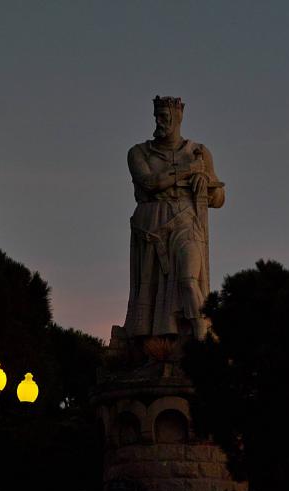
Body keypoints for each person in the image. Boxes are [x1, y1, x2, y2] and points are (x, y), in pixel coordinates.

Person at [124, 96, 225, 342]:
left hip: (186, 222)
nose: (159, 121)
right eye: (156, 116)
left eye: (164, 117)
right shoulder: (139, 153)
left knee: (189, 277)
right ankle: (157, 345)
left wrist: (206, 186)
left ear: (178, 117)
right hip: (152, 227)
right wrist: (190, 172)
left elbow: (219, 198)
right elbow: (149, 183)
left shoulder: (198, 152)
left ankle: (202, 332)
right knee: (151, 291)